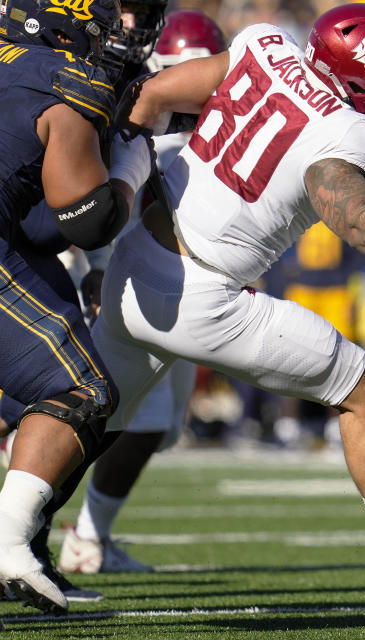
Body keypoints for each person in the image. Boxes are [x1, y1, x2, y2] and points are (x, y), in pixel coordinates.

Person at [88, 3, 365, 615]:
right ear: (359, 73)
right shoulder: (347, 131)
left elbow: (149, 96)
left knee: (81, 412)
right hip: (205, 289)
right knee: (364, 387)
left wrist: (129, 178)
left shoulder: (262, 46)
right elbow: (344, 206)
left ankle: (16, 538)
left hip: (137, 254)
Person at [0, 0, 156, 614]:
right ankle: (10, 543)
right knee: (82, 389)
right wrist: (130, 166)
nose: (130, 29)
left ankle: (25, 543)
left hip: (14, 245)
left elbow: (36, 226)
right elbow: (87, 219)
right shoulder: (64, 81)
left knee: (39, 389)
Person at [59, 9, 225, 577]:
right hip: (122, 277)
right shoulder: (131, 104)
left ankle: (86, 536)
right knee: (101, 414)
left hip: (175, 280)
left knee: (157, 424)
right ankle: (51, 530)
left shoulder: (210, 122)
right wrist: (90, 268)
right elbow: (86, 198)